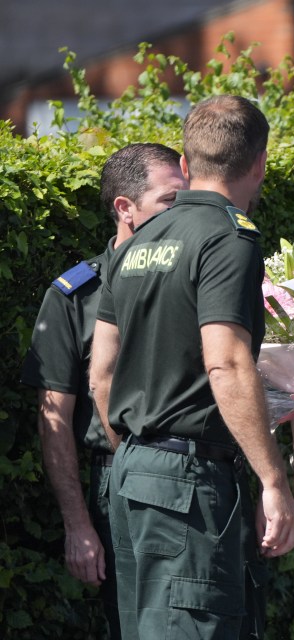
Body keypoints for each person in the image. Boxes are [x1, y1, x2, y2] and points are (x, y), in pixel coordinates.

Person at [89, 95, 294, 639]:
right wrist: (274, 480)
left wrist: (139, 455)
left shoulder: (134, 244)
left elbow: (101, 374)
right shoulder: (230, 237)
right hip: (188, 480)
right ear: (259, 163)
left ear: (185, 165)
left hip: (130, 471)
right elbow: (226, 363)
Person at [20, 143, 185, 638]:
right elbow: (54, 419)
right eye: (170, 202)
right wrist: (77, 524)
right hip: (119, 482)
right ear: (124, 208)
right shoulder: (75, 295)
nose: (185, 214)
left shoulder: (197, 275)